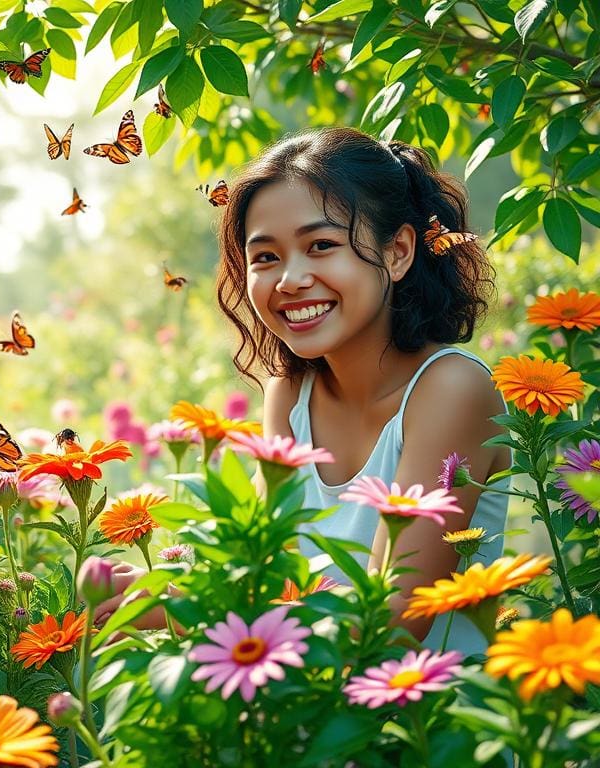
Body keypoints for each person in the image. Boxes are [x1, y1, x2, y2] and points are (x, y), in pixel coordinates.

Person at [95, 126, 512, 656]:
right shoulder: (291, 396)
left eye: (321, 246)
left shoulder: (452, 389)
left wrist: (185, 607)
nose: (290, 279)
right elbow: (265, 576)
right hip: (311, 707)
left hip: (437, 722)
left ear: (400, 251)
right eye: (265, 257)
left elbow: (387, 623)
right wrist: (162, 587)